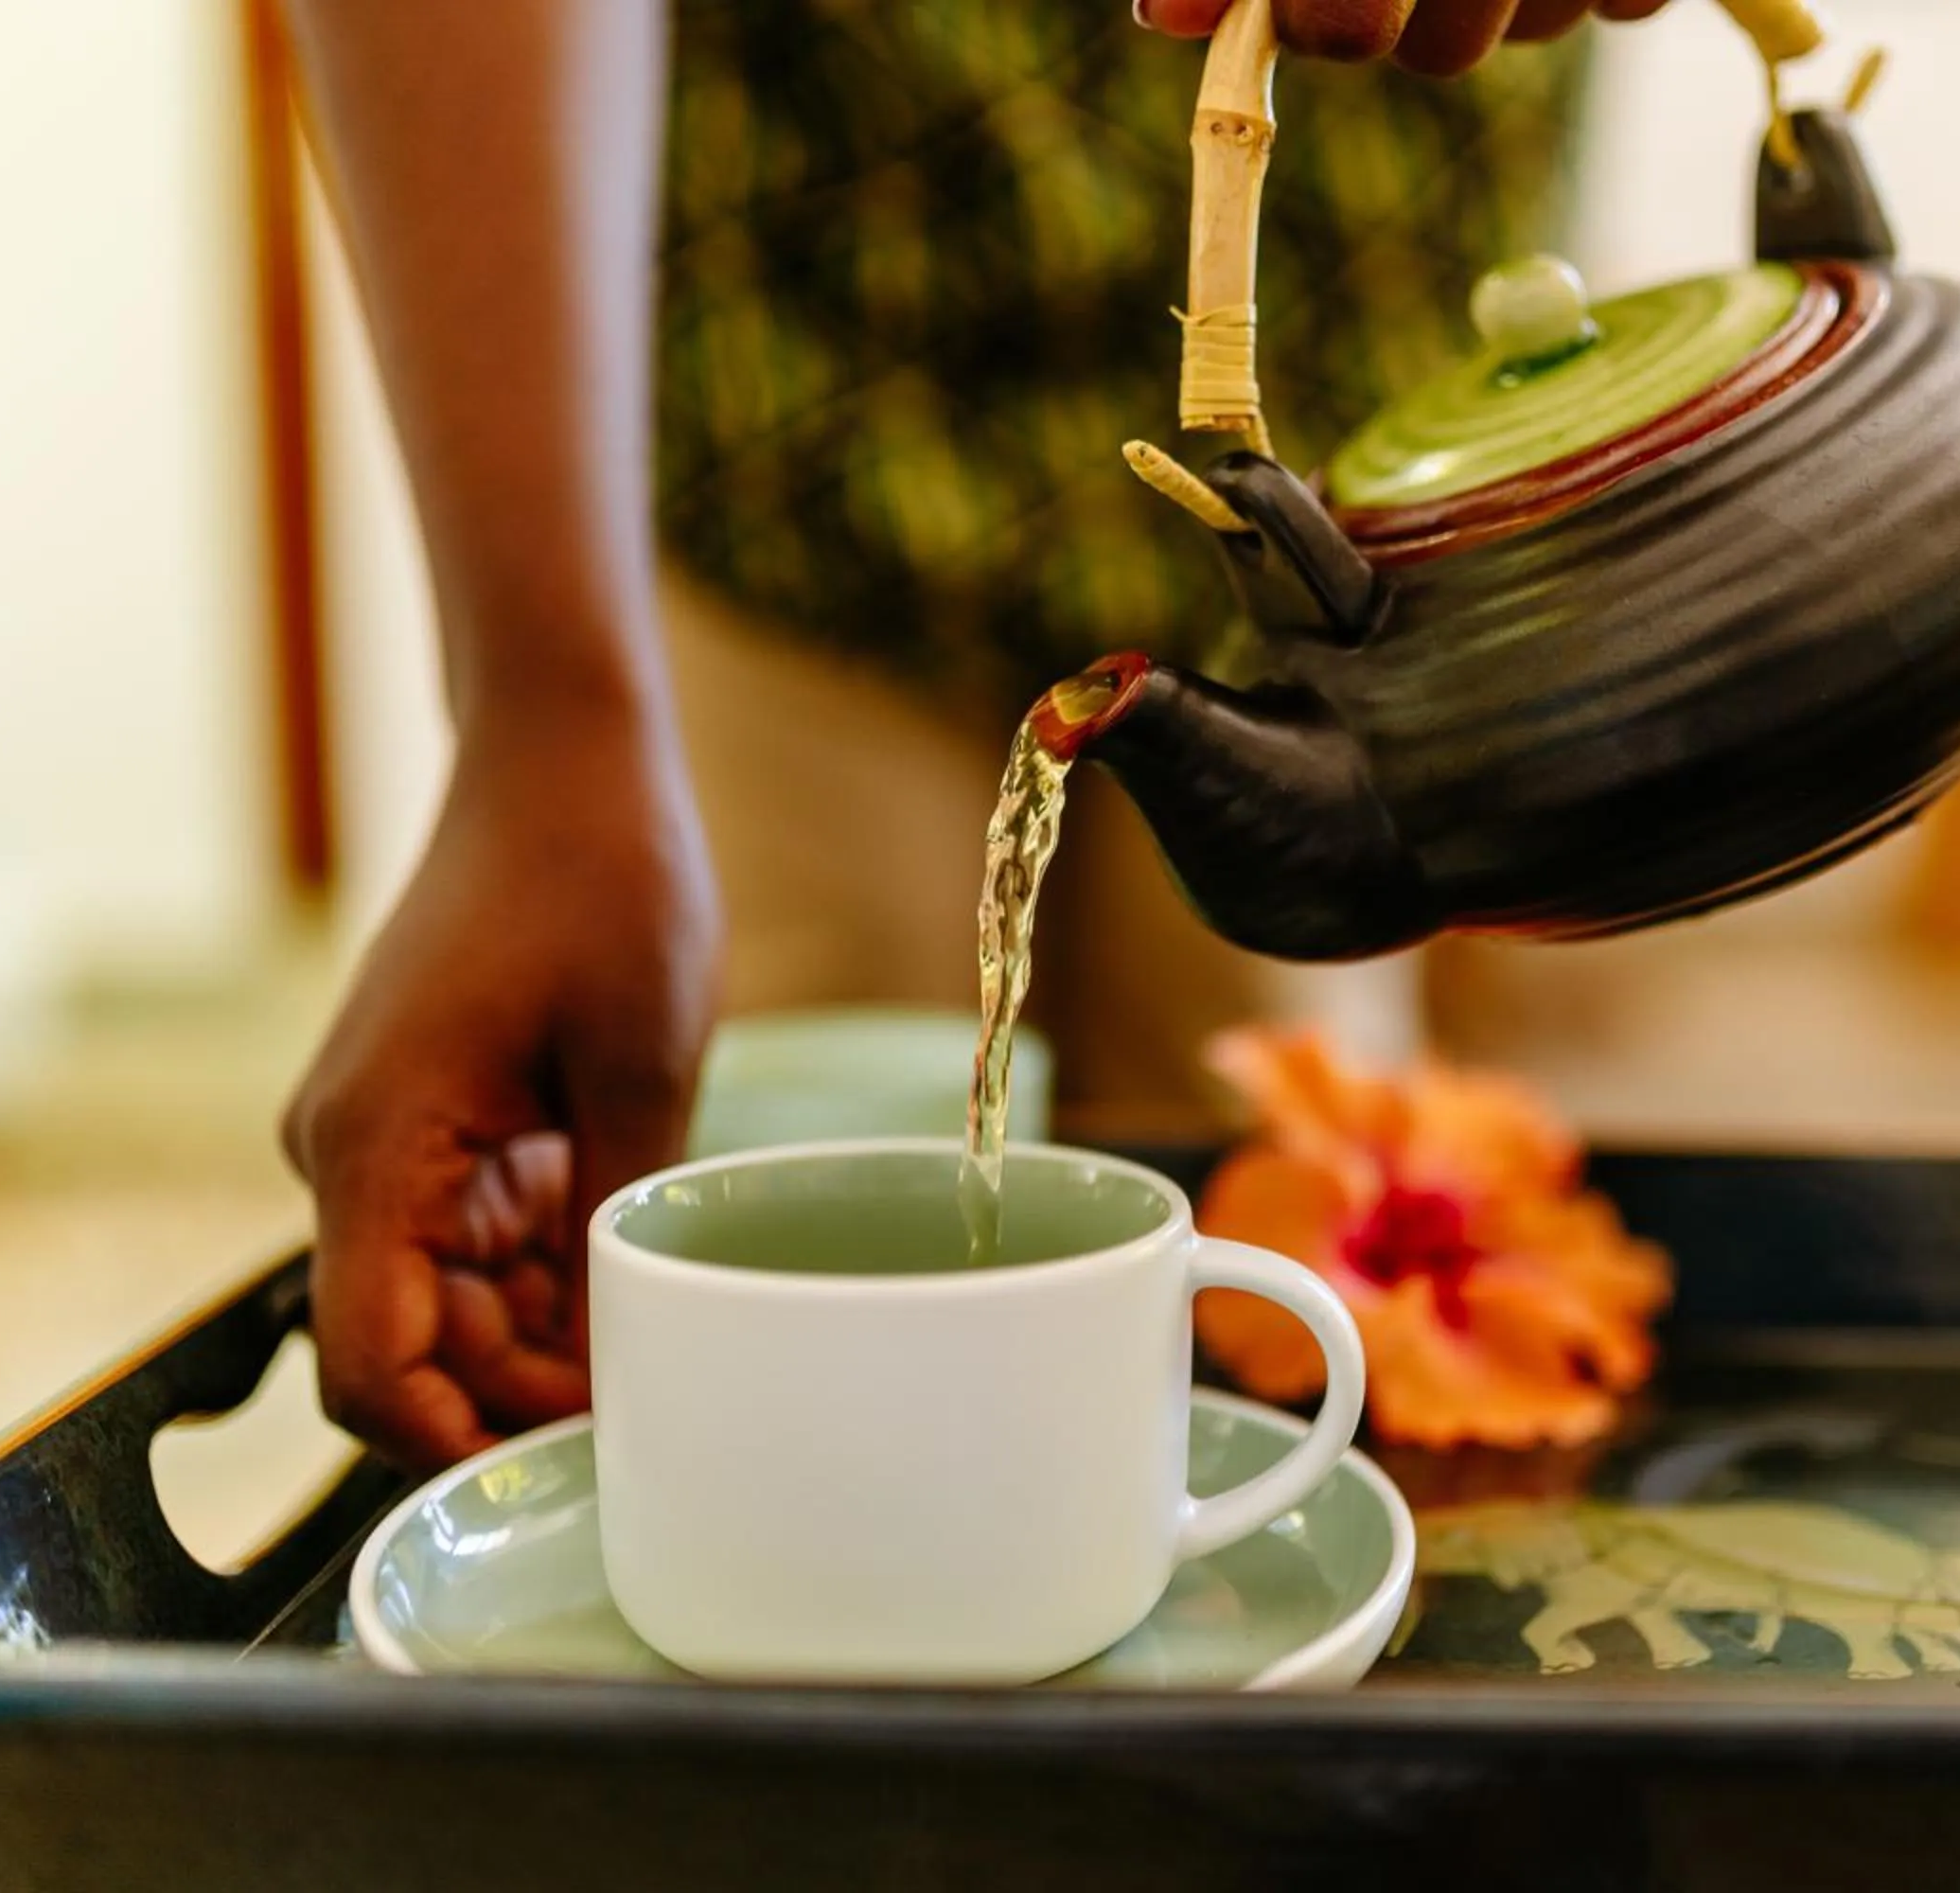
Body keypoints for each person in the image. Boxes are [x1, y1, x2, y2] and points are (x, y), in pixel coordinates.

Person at [276, 0, 1675, 1470]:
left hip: (1339, 456)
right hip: (803, 425)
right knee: (781, 1334)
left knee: (1304, 1272)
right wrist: (541, 719)